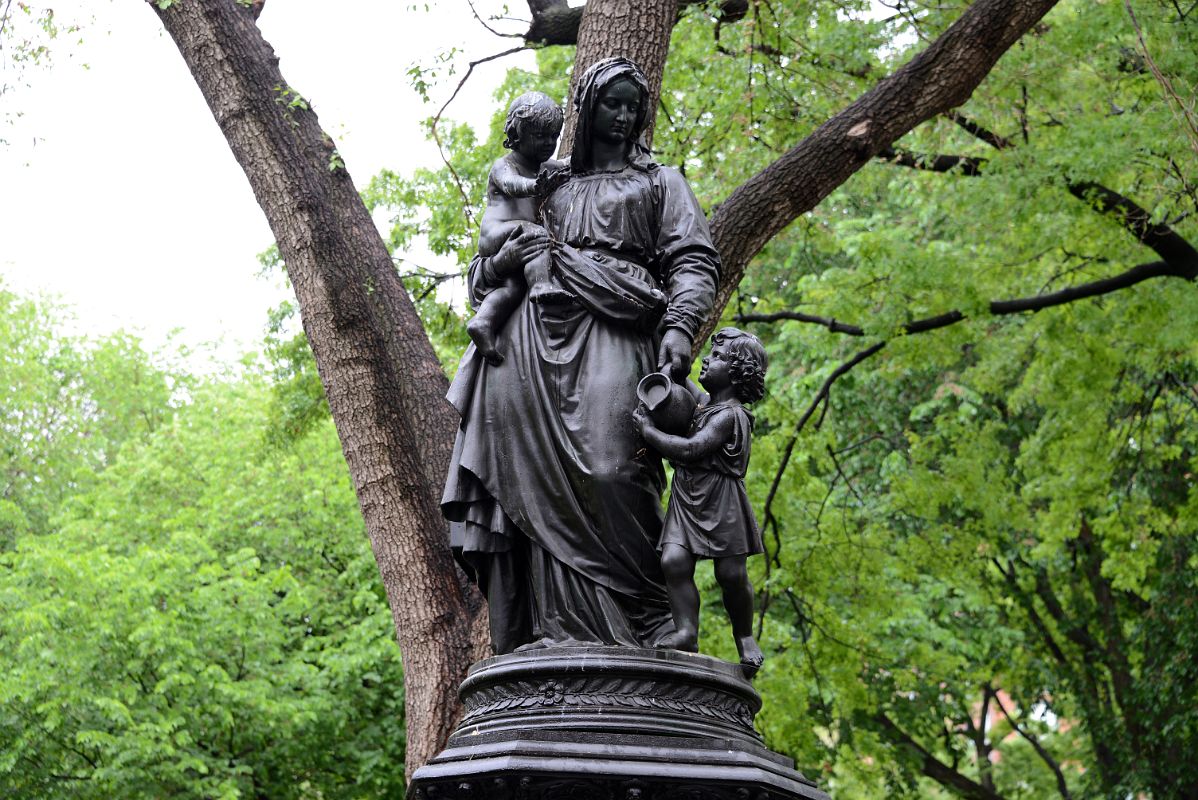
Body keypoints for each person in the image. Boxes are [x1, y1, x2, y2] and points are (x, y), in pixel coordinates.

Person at [442, 57, 720, 654]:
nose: (622, 116)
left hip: (620, 327)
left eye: (632, 106)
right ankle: (555, 629)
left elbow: (694, 262)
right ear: (587, 107)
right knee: (531, 482)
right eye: (611, 103)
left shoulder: (660, 182)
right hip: (533, 342)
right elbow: (490, 264)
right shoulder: (552, 181)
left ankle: (645, 621)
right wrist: (503, 266)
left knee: (613, 468)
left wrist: (680, 328)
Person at [632, 328, 768, 674]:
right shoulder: (707, 405)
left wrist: (650, 433)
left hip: (722, 500)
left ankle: (745, 637)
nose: (707, 359)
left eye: (718, 357)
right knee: (674, 562)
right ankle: (686, 631)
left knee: (731, 573)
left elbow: (692, 449)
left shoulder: (730, 415)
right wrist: (676, 373)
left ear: (737, 374)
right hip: (687, 495)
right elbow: (687, 394)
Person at [467, 91, 565, 366]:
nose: (549, 143)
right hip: (496, 233)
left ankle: (483, 322)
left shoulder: (546, 166)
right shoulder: (505, 165)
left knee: (511, 288)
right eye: (541, 136)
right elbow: (512, 184)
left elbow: (571, 166)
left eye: (553, 136)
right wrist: (536, 186)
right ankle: (541, 286)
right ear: (518, 135)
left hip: (518, 237)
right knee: (535, 235)